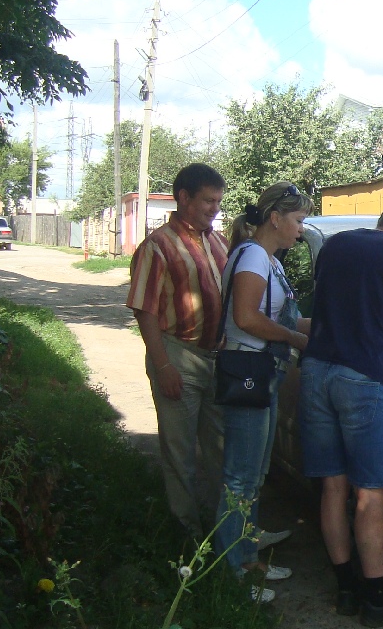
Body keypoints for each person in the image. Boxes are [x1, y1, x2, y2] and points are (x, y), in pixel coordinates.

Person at [301, 200, 383, 627]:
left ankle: (346, 588)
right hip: (362, 380)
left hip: (317, 371)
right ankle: (377, 599)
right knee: (373, 493)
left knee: (333, 487)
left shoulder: (335, 247)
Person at [214, 182, 314, 602]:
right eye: (297, 220)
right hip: (249, 370)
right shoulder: (254, 256)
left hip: (262, 370)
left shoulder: (266, 258)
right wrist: (295, 339)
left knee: (254, 474)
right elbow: (247, 318)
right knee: (240, 476)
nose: (301, 230)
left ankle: (248, 555)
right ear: (275, 218)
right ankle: (230, 570)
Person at [126, 163, 229, 541]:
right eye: (207, 200)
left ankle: (226, 533)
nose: (214, 208)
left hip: (216, 359)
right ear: (183, 198)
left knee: (222, 451)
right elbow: (145, 310)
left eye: (218, 201)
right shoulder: (158, 246)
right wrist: (163, 365)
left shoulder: (218, 241)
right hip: (178, 356)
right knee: (179, 453)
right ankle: (186, 535)